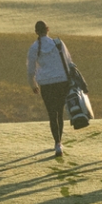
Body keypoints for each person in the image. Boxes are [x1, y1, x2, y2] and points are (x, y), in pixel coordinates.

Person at [27, 20, 78, 157]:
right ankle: (59, 143)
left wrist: (33, 84)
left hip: (46, 84)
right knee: (59, 113)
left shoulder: (34, 47)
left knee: (51, 114)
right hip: (61, 82)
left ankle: (56, 142)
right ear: (47, 29)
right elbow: (68, 61)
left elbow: (30, 70)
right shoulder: (58, 43)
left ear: (36, 32)